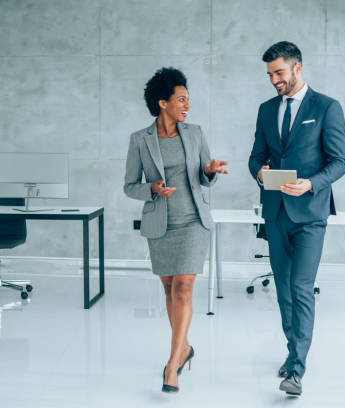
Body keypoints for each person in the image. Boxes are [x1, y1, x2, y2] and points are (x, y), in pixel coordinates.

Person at [248, 41, 345, 396]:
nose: (274, 80)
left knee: (302, 288)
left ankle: (296, 371)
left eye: (279, 72)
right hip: (275, 214)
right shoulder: (265, 110)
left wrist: (310, 184)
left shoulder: (326, 108)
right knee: (284, 290)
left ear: (297, 68)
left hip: (309, 215)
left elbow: (339, 162)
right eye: (269, 74)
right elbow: (256, 156)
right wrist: (259, 173)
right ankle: (294, 352)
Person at [124, 67, 228, 393]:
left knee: (183, 288)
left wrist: (210, 171)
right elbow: (129, 186)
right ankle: (183, 348)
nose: (186, 105)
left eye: (187, 100)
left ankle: (172, 364)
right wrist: (152, 187)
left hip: (193, 221)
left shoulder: (195, 133)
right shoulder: (140, 140)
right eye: (180, 99)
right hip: (161, 224)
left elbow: (204, 176)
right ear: (162, 102)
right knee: (169, 291)